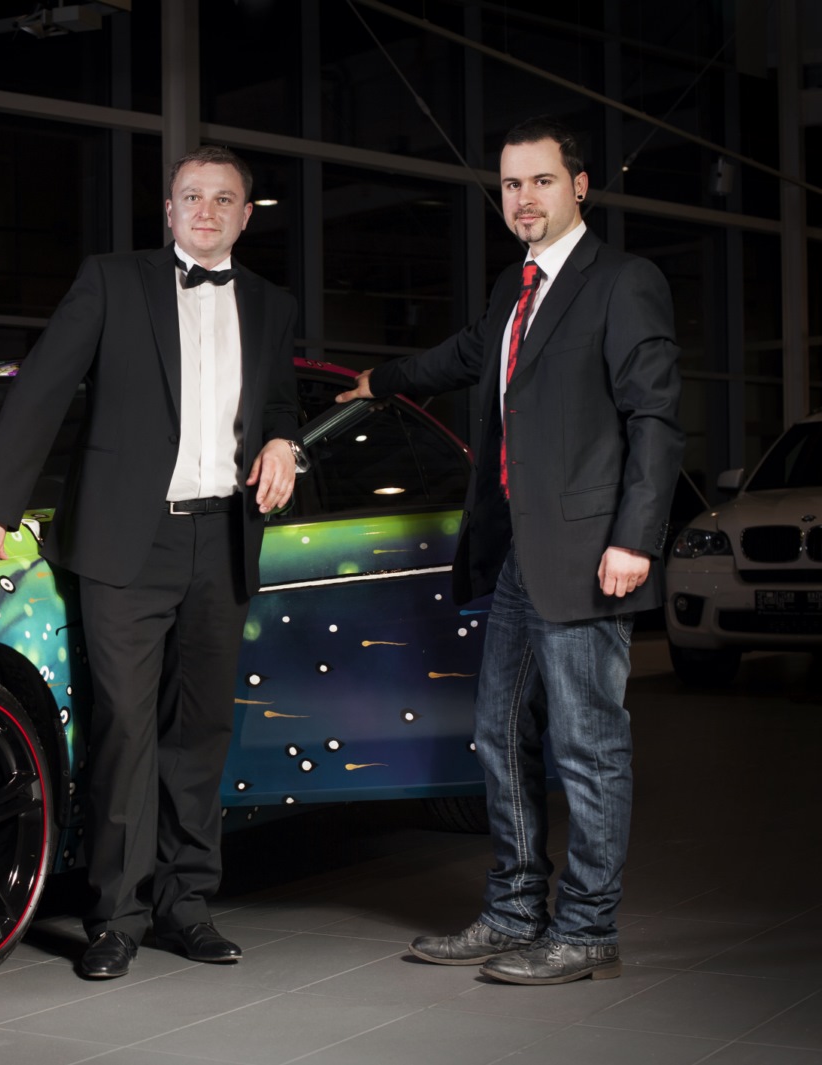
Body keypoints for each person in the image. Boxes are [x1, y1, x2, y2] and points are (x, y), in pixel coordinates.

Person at [337, 116, 682, 985]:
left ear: (580, 186)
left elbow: (655, 418)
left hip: (592, 554)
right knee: (498, 734)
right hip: (522, 556)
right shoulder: (512, 287)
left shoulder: (623, 282)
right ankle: (514, 909)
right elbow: (467, 355)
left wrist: (635, 537)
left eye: (541, 180)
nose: (524, 198)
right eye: (511, 185)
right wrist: (383, 381)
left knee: (588, 747)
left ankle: (588, 926)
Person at [0, 145, 304, 980]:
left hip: (224, 538)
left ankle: (188, 905)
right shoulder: (112, 281)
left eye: (224, 199)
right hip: (127, 543)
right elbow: (41, 387)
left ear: (245, 215)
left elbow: (279, 401)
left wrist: (285, 440)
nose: (207, 210)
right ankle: (116, 915)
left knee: (201, 732)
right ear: (170, 209)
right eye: (193, 196)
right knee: (124, 726)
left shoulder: (272, 303)